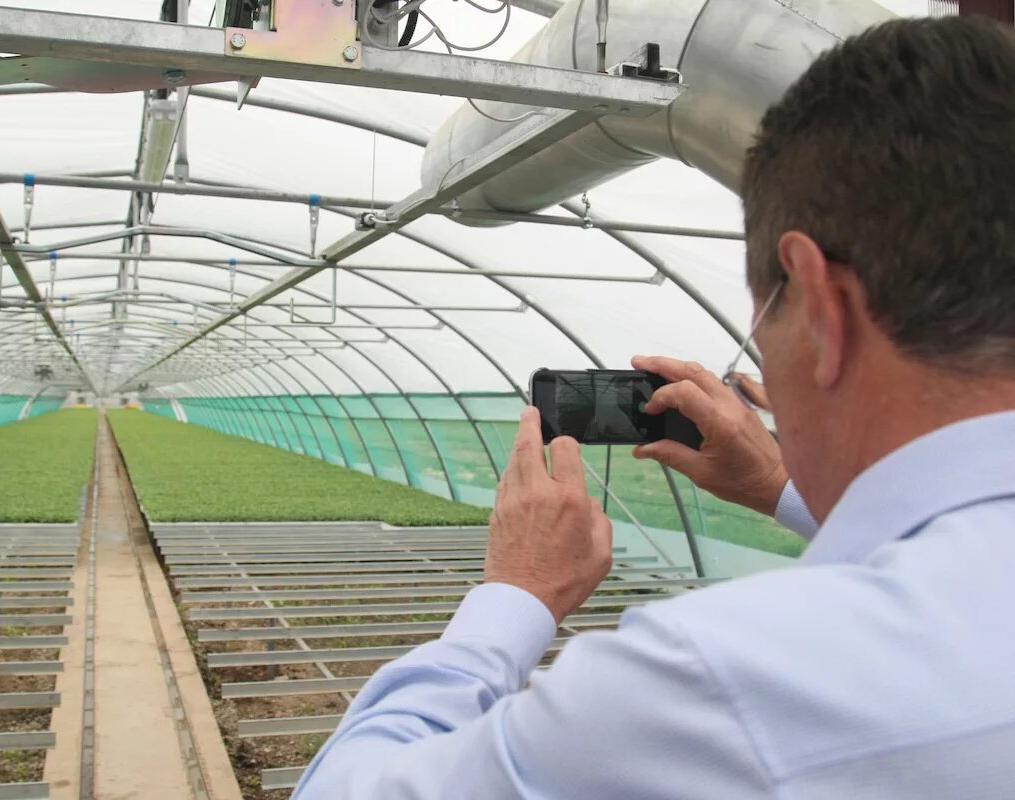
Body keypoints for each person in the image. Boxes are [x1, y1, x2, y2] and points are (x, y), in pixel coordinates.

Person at [291, 15, 1015, 798]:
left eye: (765, 316)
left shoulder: (717, 684)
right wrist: (774, 484)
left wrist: (515, 595)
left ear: (821, 306)